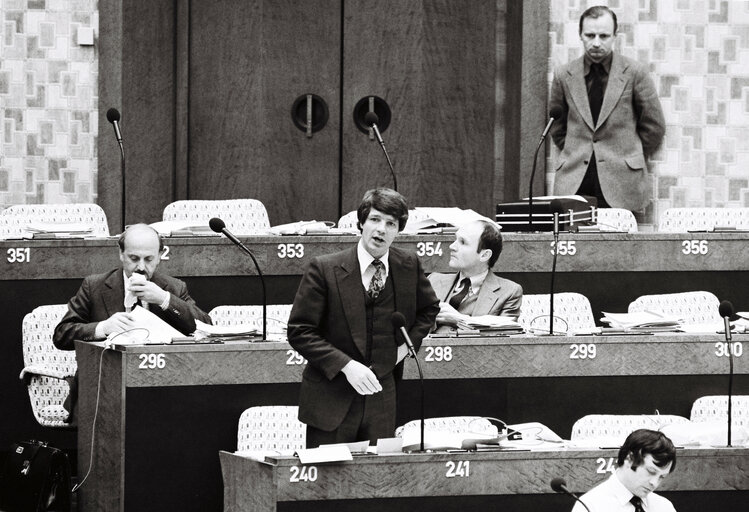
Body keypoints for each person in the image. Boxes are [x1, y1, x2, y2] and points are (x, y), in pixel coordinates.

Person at [287, 188, 439, 447]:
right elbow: (300, 331)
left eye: (391, 224)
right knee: (329, 484)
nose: (381, 229)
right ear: (362, 222)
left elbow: (429, 310)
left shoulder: (408, 264)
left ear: (398, 231)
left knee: (376, 482)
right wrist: (346, 366)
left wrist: (404, 349)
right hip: (331, 398)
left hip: (382, 397)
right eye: (375, 220)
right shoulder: (324, 268)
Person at [54, 223, 212, 416]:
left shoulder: (173, 288)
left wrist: (164, 300)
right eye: (133, 258)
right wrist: (102, 328)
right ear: (121, 253)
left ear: (160, 256)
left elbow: (205, 328)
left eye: (149, 259)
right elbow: (62, 335)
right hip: (103, 390)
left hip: (161, 390)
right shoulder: (94, 286)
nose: (141, 267)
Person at [549, 5, 665, 211]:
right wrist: (578, 148)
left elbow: (654, 126)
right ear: (580, 35)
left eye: (603, 36)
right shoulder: (563, 75)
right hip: (575, 181)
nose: (596, 43)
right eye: (590, 35)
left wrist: (628, 153)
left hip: (622, 182)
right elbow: (557, 127)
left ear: (615, 36)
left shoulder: (635, 73)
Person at [428, 219, 522, 332]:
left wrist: (460, 320)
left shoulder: (509, 291)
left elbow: (505, 337)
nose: (452, 246)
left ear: (484, 255)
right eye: (455, 239)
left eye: (462, 242)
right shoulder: (433, 281)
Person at [572, 429, 677, 512]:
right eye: (650, 472)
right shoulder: (590, 505)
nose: (654, 483)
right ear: (629, 459)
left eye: (661, 477)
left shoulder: (664, 507)